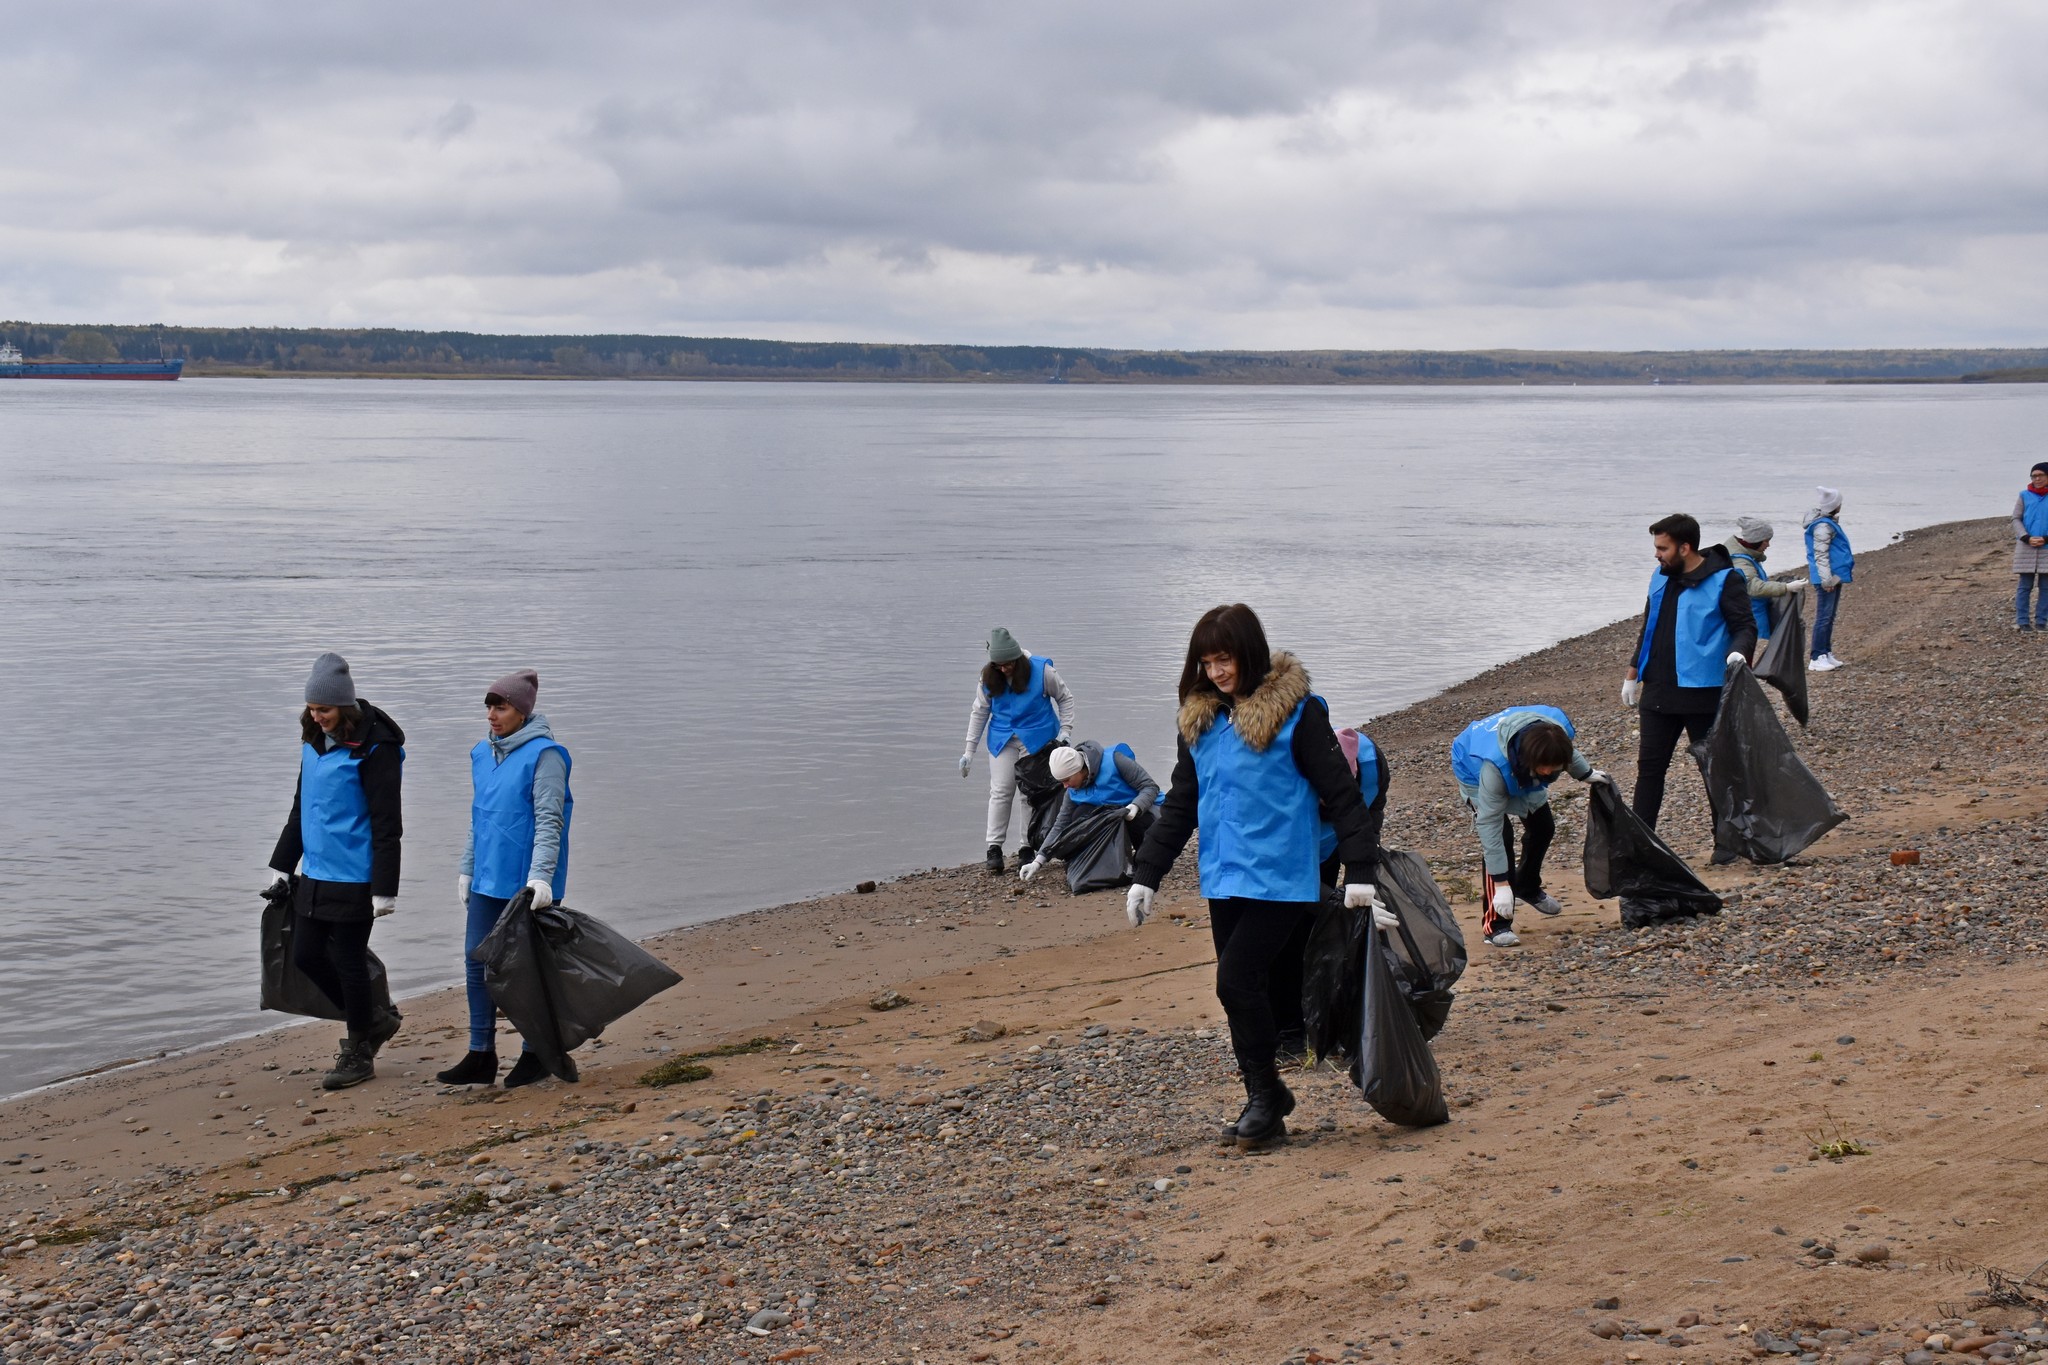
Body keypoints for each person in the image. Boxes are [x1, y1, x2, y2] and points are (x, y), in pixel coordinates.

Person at [1126, 604, 1393, 1149]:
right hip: (1223, 878)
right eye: (1205, 662)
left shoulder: (1298, 716)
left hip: (1280, 877)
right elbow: (1182, 805)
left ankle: (1267, 1096)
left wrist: (1361, 868)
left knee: (1234, 980)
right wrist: (1146, 874)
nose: (1215, 672)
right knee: (1242, 990)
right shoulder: (1200, 722)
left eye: (1223, 659)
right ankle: (1266, 1100)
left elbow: (1343, 797)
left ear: (1248, 651)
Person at [264, 652, 404, 1091]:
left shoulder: (377, 748)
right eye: (311, 708)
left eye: (323, 709)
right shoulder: (312, 741)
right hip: (316, 874)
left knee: (346, 961)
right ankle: (375, 1020)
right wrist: (282, 866)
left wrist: (384, 889)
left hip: (356, 877)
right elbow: (300, 808)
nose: (316, 716)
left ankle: (359, 1049)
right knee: (306, 956)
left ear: (343, 706)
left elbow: (387, 823)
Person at [438, 669, 573, 1090]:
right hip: (485, 877)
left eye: (502, 707)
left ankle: (535, 1054)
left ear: (523, 711)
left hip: (524, 883)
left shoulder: (546, 755)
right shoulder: (482, 753)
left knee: (525, 971)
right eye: (489, 708)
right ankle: (481, 1053)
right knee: (476, 961)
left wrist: (541, 879)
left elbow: (550, 821)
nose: (492, 716)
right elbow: (478, 818)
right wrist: (466, 867)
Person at [1623, 512, 1758, 830]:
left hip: (1703, 693)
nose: (1657, 554)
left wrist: (1738, 652)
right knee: (1650, 770)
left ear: (1685, 548)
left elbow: (1745, 626)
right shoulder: (1659, 576)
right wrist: (1631, 674)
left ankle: (1726, 838)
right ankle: (1642, 843)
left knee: (1715, 769)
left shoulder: (1725, 580)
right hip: (1658, 692)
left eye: (1663, 548)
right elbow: (1649, 627)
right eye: (1656, 547)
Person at [1451, 707, 1602, 948]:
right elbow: (1488, 826)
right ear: (1529, 757)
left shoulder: (1554, 737)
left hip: (1521, 763)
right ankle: (1496, 924)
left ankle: (1526, 886)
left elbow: (1568, 755)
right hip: (1471, 765)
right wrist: (1501, 885)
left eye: (1553, 767)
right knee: (1502, 836)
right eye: (1544, 766)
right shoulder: (1493, 767)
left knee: (1543, 827)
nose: (1547, 772)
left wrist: (1586, 773)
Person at [960, 628, 1075, 874]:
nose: (1004, 669)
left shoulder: (1042, 670)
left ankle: (1026, 847)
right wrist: (969, 752)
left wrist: (1065, 730)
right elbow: (979, 712)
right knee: (1001, 790)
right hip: (1003, 740)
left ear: (1017, 659)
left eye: (1008, 664)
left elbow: (1065, 698)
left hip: (1037, 739)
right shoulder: (988, 678)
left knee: (1029, 794)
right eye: (999, 666)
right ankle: (994, 848)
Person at [1019, 741, 1160, 882]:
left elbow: (1150, 787)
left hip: (1144, 813)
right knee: (1080, 814)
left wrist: (1135, 807)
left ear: (1079, 770)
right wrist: (1038, 861)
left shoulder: (1115, 761)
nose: (1065, 786)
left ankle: (1146, 859)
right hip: (1113, 819)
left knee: (1137, 821)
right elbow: (1060, 825)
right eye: (1061, 781)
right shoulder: (1071, 790)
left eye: (1067, 780)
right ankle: (1106, 864)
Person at [1721, 516, 1801, 643]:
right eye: (1766, 541)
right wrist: (1786, 587)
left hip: (1756, 613)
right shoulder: (1740, 561)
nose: (1768, 545)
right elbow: (1752, 587)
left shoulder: (1748, 556)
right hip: (1751, 617)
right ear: (1756, 540)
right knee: (1756, 652)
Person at [1804, 487, 1854, 670]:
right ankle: (1816, 657)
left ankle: (1826, 652)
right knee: (1823, 617)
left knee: (1829, 616)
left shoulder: (1828, 523)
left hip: (1834, 576)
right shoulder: (1822, 526)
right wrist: (1826, 579)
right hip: (1827, 577)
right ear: (1834, 505)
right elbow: (1820, 553)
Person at [2012, 463, 2048, 631]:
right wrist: (2026, 537)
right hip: (2026, 546)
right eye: (2033, 476)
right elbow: (2016, 519)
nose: (2037, 479)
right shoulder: (2024, 495)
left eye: (2040, 475)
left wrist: (2045, 538)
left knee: (2046, 587)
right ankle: (2023, 621)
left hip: (2046, 547)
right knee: (2025, 586)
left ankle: (2041, 622)